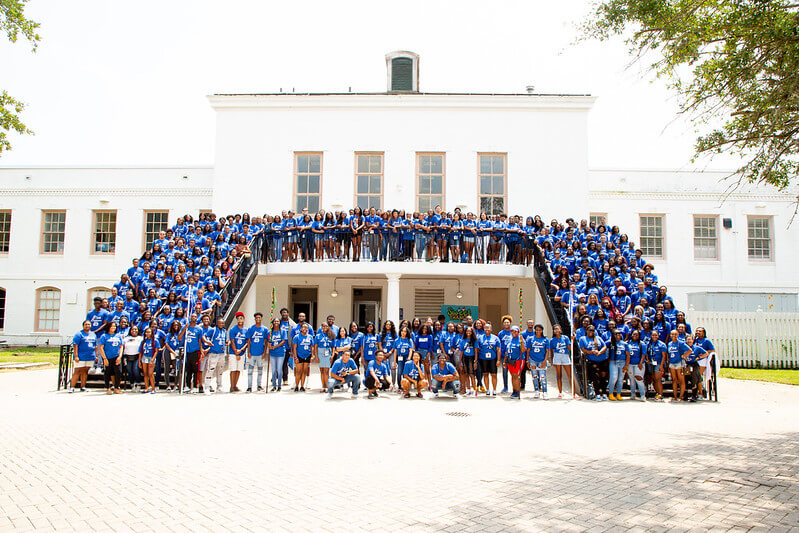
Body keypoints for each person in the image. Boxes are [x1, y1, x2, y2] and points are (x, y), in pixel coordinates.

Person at [580, 325, 608, 401]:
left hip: (602, 359)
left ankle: (604, 393)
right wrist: (591, 352)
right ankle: (597, 393)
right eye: (589, 330)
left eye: (592, 330)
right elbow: (583, 349)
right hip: (592, 360)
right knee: (596, 377)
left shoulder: (598, 338)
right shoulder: (583, 339)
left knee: (603, 377)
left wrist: (599, 352)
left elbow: (604, 346)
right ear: (587, 331)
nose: (591, 332)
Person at [179, 313, 205, 393]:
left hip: (195, 351)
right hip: (187, 351)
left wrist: (202, 352)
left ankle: (195, 386)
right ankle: (187, 386)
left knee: (195, 370)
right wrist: (184, 329)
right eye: (192, 316)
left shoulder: (199, 329)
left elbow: (200, 342)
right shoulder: (185, 327)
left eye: (195, 317)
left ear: (197, 318)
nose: (193, 318)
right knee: (188, 370)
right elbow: (179, 338)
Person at [69, 320, 97, 393]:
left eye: (89, 324)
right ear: (83, 325)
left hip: (90, 356)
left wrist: (96, 355)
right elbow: (75, 345)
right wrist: (76, 356)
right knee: (77, 371)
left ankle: (83, 386)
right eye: (86, 324)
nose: (87, 326)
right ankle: (72, 387)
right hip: (81, 356)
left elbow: (95, 345)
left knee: (85, 371)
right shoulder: (79, 334)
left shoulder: (93, 334)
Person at [549, 324, 577, 398]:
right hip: (557, 356)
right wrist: (552, 360)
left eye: (558, 329)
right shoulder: (552, 340)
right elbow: (551, 351)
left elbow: (570, 348)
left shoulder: (565, 338)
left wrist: (573, 341)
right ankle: (560, 392)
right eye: (555, 329)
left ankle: (574, 393)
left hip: (565, 355)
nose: (557, 330)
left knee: (569, 375)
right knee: (559, 375)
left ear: (560, 330)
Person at [202, 318, 228, 393]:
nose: (221, 325)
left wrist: (227, 342)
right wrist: (207, 342)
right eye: (220, 323)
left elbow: (225, 340)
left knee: (220, 371)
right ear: (217, 323)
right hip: (213, 353)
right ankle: (207, 386)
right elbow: (204, 336)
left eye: (222, 323)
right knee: (210, 370)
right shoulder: (212, 330)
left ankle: (219, 386)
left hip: (222, 353)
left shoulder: (224, 331)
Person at [97, 321, 123, 394]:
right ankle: (108, 388)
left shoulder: (118, 336)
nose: (113, 328)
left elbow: (121, 346)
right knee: (107, 372)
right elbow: (101, 347)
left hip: (116, 356)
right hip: (107, 357)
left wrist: (120, 356)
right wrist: (104, 358)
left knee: (118, 372)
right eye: (112, 326)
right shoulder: (104, 336)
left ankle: (116, 387)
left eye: (114, 326)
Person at [525, 324, 550, 400]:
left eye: (540, 330)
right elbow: (528, 350)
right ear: (534, 330)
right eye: (537, 330)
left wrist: (545, 361)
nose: (538, 331)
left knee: (542, 376)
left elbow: (547, 351)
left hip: (542, 360)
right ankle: (536, 391)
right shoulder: (531, 339)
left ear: (542, 330)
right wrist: (527, 360)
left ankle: (544, 392)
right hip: (533, 360)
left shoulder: (545, 339)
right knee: (534, 376)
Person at [667, 329, 692, 402]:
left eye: (675, 334)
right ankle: (675, 396)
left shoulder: (680, 343)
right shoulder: (669, 344)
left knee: (681, 380)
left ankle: (680, 396)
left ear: (678, 335)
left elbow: (690, 350)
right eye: (672, 334)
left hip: (679, 363)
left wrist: (684, 356)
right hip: (672, 363)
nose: (673, 336)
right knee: (674, 380)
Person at [246, 312, 268, 393]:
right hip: (252, 353)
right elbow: (248, 341)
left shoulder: (265, 329)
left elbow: (266, 342)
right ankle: (249, 387)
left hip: (260, 353)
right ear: (255, 319)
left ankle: (259, 385)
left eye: (259, 317)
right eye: (256, 318)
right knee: (250, 371)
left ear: (261, 319)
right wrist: (248, 352)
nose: (258, 319)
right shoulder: (251, 329)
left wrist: (265, 352)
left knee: (260, 371)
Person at [477, 323, 501, 396]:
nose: (487, 329)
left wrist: (498, 360)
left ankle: (494, 390)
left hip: (493, 359)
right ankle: (487, 389)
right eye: (485, 328)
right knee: (485, 374)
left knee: (494, 375)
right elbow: (477, 349)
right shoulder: (480, 338)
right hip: (483, 359)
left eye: (488, 328)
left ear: (491, 329)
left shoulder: (495, 338)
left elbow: (498, 349)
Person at [228, 312, 249, 392]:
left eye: (241, 318)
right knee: (233, 369)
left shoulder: (246, 330)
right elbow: (232, 341)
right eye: (238, 319)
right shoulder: (233, 329)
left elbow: (247, 342)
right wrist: (236, 351)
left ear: (244, 319)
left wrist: (241, 350)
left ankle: (235, 385)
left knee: (238, 370)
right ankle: (231, 386)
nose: (240, 320)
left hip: (242, 352)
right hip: (233, 352)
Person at [292, 322, 316, 392]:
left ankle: (302, 386)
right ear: (301, 328)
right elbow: (294, 348)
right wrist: (295, 357)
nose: (305, 329)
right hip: (299, 355)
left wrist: (312, 356)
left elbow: (312, 347)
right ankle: (296, 386)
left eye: (306, 328)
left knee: (304, 371)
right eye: (303, 327)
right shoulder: (297, 336)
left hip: (307, 355)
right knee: (298, 371)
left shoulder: (310, 337)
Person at [645, 330, 668, 402]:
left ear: (658, 336)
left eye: (656, 335)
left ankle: (660, 395)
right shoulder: (649, 344)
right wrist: (647, 360)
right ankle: (657, 394)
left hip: (659, 363)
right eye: (653, 335)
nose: (654, 337)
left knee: (658, 379)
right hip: (651, 363)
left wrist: (661, 366)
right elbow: (647, 353)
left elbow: (664, 356)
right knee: (654, 379)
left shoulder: (662, 344)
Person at [607, 330, 630, 401]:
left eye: (619, 333)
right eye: (615, 334)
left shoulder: (624, 344)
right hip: (613, 361)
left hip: (622, 362)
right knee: (613, 378)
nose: (617, 335)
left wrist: (626, 365)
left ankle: (618, 393)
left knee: (620, 379)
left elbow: (628, 355)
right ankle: (610, 393)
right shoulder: (610, 343)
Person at [503, 326, 525, 399]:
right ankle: (514, 391)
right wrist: (504, 361)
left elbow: (523, 350)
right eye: (512, 331)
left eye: (515, 331)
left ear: (518, 332)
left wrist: (522, 342)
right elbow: (507, 351)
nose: (513, 333)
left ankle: (517, 391)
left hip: (518, 360)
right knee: (512, 376)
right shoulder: (510, 339)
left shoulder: (520, 339)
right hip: (510, 360)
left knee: (516, 375)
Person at [685, 334, 707, 402]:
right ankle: (685, 395)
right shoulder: (684, 348)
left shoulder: (697, 348)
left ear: (693, 340)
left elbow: (706, 353)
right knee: (686, 380)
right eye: (687, 339)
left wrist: (698, 358)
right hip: (686, 365)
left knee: (694, 380)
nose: (689, 341)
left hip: (694, 365)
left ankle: (694, 396)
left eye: (690, 339)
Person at [456, 326, 478, 396]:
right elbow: (461, 351)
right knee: (466, 374)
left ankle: (475, 390)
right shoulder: (463, 340)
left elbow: (476, 351)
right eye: (467, 331)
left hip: (471, 358)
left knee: (472, 374)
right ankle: (468, 390)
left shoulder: (474, 340)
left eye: (470, 331)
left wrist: (475, 361)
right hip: (465, 358)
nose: (468, 333)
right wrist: (460, 361)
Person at [267, 318, 288, 391]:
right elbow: (268, 341)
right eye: (275, 321)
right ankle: (274, 386)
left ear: (280, 322)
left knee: (279, 369)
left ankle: (279, 385)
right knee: (273, 370)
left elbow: (283, 341)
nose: (276, 322)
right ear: (272, 323)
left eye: (277, 321)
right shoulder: (270, 332)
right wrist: (269, 345)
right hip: (272, 354)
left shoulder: (283, 331)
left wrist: (274, 347)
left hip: (280, 353)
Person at [626, 330, 646, 401]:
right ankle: (632, 394)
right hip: (630, 364)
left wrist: (640, 363)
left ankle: (642, 395)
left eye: (637, 335)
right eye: (634, 334)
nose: (635, 336)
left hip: (638, 364)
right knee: (631, 380)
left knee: (639, 379)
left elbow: (643, 355)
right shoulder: (627, 343)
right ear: (631, 335)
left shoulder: (642, 344)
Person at [139, 327, 161, 394]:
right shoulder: (143, 341)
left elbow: (156, 351)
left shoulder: (155, 341)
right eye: (146, 332)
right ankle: (147, 387)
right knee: (145, 373)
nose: (147, 333)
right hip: (144, 357)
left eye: (149, 332)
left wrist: (152, 360)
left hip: (151, 357)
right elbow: (140, 351)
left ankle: (153, 388)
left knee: (150, 374)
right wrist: (139, 361)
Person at [122, 325, 143, 391]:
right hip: (128, 356)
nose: (134, 331)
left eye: (135, 329)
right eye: (132, 329)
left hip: (137, 356)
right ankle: (132, 383)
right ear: (130, 331)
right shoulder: (126, 338)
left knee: (135, 370)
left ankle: (138, 383)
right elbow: (123, 347)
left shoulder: (141, 338)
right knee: (129, 371)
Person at [315, 323, 335, 393]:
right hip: (320, 353)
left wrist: (332, 355)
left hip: (327, 353)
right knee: (322, 371)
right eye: (323, 326)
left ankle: (326, 386)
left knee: (326, 371)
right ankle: (322, 385)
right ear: (321, 327)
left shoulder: (331, 335)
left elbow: (333, 347)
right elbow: (315, 347)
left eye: (326, 326)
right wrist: (316, 356)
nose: (325, 327)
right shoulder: (318, 336)